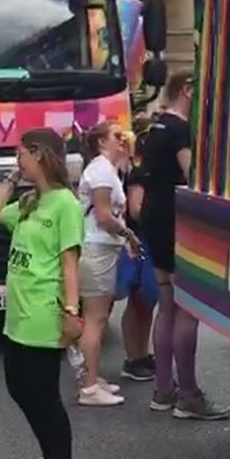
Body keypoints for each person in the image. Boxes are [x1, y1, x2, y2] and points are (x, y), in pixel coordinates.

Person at [0, 128, 84, 459]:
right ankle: (51, 454)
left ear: (39, 154)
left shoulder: (65, 204)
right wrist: (13, 179)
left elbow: (70, 262)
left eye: (21, 155)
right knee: (18, 387)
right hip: (18, 313)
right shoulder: (30, 202)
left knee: (43, 396)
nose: (18, 161)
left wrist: (72, 311)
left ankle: (58, 457)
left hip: (43, 311)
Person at [141, 70, 230, 420]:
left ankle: (164, 390)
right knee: (187, 308)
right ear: (188, 90)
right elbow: (195, 177)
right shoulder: (180, 131)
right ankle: (189, 395)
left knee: (166, 306)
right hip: (178, 223)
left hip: (155, 217)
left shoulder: (156, 128)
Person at [74, 120, 140, 406]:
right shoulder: (101, 170)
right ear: (101, 142)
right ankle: (89, 387)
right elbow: (103, 216)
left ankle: (91, 377)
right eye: (117, 135)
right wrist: (128, 235)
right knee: (95, 318)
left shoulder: (107, 169)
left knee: (98, 316)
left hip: (101, 248)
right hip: (97, 248)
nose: (123, 139)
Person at [117, 119, 158, 382]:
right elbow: (135, 209)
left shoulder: (150, 172)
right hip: (142, 241)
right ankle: (134, 357)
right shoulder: (141, 174)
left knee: (146, 302)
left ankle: (142, 354)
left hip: (149, 240)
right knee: (139, 300)